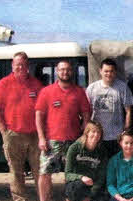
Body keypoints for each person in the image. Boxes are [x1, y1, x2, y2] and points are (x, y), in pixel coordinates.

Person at [35, 60, 91, 201]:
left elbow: (85, 114)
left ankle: (70, 198)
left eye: (67, 69)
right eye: (61, 69)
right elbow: (39, 116)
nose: (65, 72)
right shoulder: (46, 92)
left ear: (71, 71)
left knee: (72, 174)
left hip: (73, 141)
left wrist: (84, 132)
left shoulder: (79, 92)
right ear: (57, 71)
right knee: (45, 173)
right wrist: (41, 138)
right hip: (52, 141)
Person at [0, 51, 44, 201]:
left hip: (35, 135)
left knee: (39, 170)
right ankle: (20, 199)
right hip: (13, 135)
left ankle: (44, 198)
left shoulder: (36, 84)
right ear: (12, 66)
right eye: (17, 64)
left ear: (28, 66)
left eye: (23, 64)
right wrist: (4, 132)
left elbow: (43, 109)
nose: (20, 67)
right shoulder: (3, 84)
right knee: (16, 172)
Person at [87, 58, 133, 156]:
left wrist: (125, 131)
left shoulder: (122, 87)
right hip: (97, 136)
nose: (109, 74)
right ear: (100, 71)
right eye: (106, 71)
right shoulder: (92, 88)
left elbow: (128, 111)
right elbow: (86, 112)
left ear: (115, 72)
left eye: (111, 71)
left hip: (116, 136)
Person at [65, 121, 109, 201]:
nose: (96, 135)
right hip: (77, 184)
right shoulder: (74, 148)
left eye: (98, 132)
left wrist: (91, 194)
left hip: (93, 185)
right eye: (93, 131)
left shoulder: (102, 151)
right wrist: (81, 177)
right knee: (77, 187)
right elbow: (67, 174)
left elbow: (101, 176)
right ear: (87, 133)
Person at [106, 131, 133, 201]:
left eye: (132, 143)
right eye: (126, 143)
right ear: (120, 143)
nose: (129, 146)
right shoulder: (113, 161)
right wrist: (121, 199)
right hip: (118, 197)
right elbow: (110, 184)